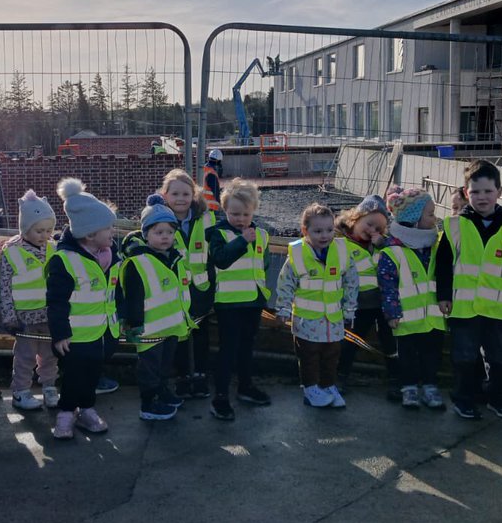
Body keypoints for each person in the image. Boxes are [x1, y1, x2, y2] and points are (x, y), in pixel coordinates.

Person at [436, 160, 502, 421]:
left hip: (498, 310)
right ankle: (463, 399)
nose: (482, 197)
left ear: (499, 191)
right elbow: (443, 264)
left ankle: (497, 398)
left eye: (488, 191)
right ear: (466, 193)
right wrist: (443, 295)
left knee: (499, 359)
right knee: (464, 358)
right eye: (475, 192)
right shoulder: (453, 225)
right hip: (462, 308)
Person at [123, 169, 215, 400]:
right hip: (174, 288)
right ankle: (183, 377)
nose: (181, 198)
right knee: (178, 336)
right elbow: (139, 237)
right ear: (165, 195)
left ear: (193, 195)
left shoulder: (206, 218)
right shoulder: (158, 218)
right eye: (175, 193)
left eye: (186, 193)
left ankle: (200, 375)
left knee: (201, 332)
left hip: (200, 287)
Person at [47, 178, 120, 440]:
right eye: (108, 228)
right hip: (75, 335)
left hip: (103, 331)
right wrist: (60, 333)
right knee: (74, 376)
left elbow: (114, 292)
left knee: (92, 374)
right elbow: (56, 301)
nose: (113, 232)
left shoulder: (111, 256)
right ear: (90, 234)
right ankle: (66, 412)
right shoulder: (64, 261)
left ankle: (87, 409)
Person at [275, 203, 358, 409]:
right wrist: (283, 308)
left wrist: (350, 309)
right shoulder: (297, 254)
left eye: (329, 230)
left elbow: (352, 281)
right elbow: (285, 282)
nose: (325, 235)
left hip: (333, 319)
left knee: (332, 355)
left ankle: (328, 385)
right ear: (305, 231)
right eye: (318, 231)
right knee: (309, 356)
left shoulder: (342, 251)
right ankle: (310, 388)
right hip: (306, 320)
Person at [120, 195, 192, 421]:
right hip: (148, 329)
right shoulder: (137, 262)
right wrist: (134, 324)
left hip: (170, 326)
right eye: (159, 233)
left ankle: (161, 392)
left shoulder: (174, 257)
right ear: (146, 234)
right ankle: (148, 403)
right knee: (149, 368)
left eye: (170, 232)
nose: (165, 237)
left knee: (163, 366)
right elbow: (133, 297)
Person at [207, 177, 271, 421]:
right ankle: (220, 397)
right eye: (234, 213)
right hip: (229, 304)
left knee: (247, 348)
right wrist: (242, 241)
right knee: (227, 350)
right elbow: (220, 259)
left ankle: (246, 387)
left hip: (253, 303)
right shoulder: (219, 233)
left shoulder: (262, 235)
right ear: (225, 210)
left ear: (253, 210)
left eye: (245, 213)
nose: (241, 219)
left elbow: (262, 265)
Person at [379, 188, 447, 410]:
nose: (435, 218)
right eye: (430, 214)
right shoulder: (392, 252)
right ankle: (408, 387)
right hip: (406, 319)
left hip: (434, 317)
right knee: (407, 356)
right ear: (415, 220)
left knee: (432, 355)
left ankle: (429, 386)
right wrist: (392, 313)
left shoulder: (436, 246)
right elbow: (387, 285)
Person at [0, 190, 60, 412]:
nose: (44, 235)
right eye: (39, 230)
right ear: (25, 229)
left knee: (50, 355)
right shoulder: (12, 253)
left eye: (49, 230)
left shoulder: (54, 249)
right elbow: (4, 287)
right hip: (24, 318)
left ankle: (49, 387)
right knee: (24, 357)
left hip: (49, 314)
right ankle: (21, 391)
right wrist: (9, 316)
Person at [335, 195, 398, 400]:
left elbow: (398, 257)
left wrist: (384, 243)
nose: (373, 231)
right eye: (370, 224)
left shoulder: (380, 245)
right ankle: (340, 377)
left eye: (379, 229)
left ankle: (396, 381)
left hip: (382, 303)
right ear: (356, 218)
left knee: (390, 343)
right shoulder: (341, 242)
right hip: (356, 304)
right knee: (349, 342)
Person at [202, 148, 224, 215]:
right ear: (219, 161)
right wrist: (221, 204)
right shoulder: (212, 173)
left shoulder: (204, 169)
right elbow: (215, 191)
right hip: (211, 207)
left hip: (202, 204)